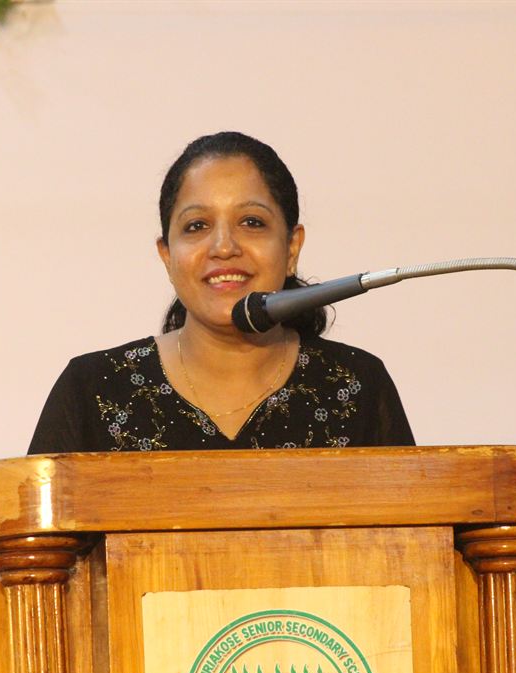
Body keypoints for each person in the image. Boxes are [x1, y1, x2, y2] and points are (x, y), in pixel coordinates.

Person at [28, 132, 413, 454]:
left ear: (292, 248)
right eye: (197, 225)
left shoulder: (356, 385)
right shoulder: (93, 390)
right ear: (167, 256)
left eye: (252, 222)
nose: (224, 247)